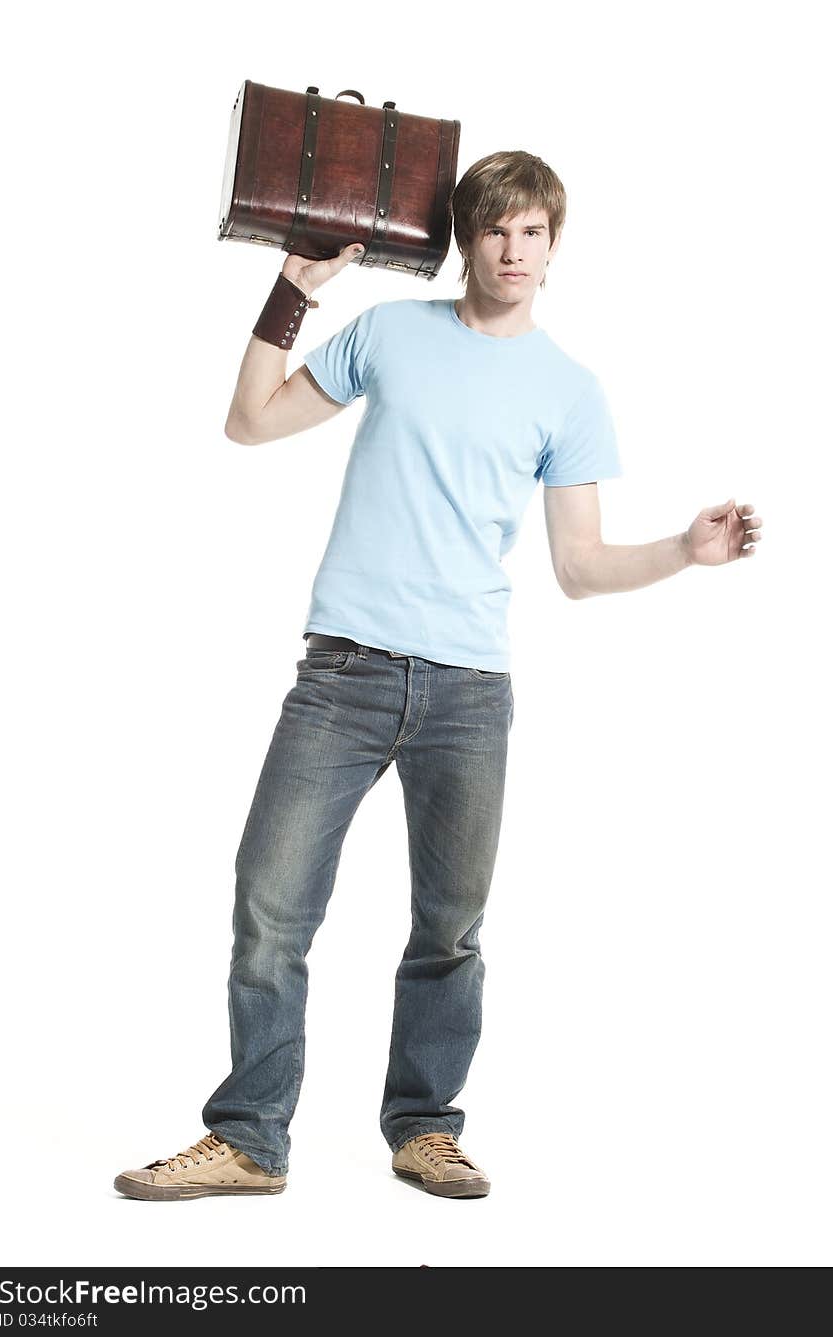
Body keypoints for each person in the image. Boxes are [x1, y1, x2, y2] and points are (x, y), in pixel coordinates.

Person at [114, 151, 762, 1202]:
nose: (513, 250)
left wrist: (682, 550)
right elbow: (252, 420)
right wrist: (293, 288)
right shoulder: (391, 334)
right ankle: (248, 1137)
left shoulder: (570, 391)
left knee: (449, 927)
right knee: (270, 904)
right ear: (468, 236)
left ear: (555, 246)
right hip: (344, 674)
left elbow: (579, 567)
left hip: (468, 694)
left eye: (533, 233)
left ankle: (424, 1127)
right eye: (496, 229)